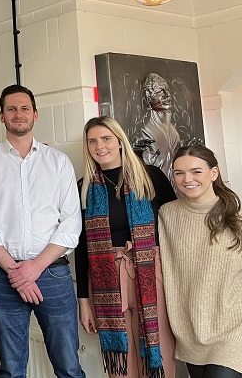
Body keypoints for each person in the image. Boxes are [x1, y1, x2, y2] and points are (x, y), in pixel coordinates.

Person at [0, 84, 84, 378]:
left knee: (69, 367)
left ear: (35, 115)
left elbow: (71, 224)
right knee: (11, 369)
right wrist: (16, 271)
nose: (18, 114)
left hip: (53, 275)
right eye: (11, 109)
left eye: (24, 109)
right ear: (1, 116)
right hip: (3, 277)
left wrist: (34, 268)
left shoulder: (58, 162)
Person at [74, 116, 177, 378]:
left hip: (151, 272)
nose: (100, 146)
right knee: (122, 365)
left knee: (160, 353)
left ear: (120, 141)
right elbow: (82, 245)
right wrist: (83, 302)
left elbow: (176, 222)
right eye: (93, 141)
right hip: (107, 276)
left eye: (106, 139)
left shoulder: (150, 176)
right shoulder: (84, 188)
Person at [159, 144, 242, 378]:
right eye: (179, 173)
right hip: (190, 334)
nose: (187, 179)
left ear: (213, 173)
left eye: (196, 171)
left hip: (237, 329)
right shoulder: (166, 215)